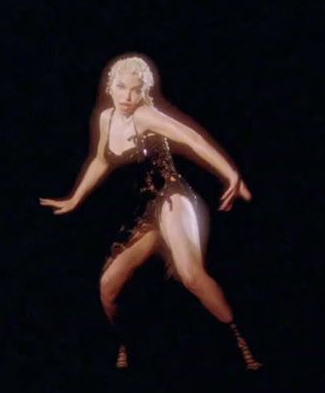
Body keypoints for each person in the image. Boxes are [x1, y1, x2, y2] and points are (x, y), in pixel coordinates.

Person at [40, 53, 262, 370]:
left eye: (135, 89)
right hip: (145, 208)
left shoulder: (145, 116)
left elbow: (193, 139)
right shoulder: (106, 118)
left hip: (172, 195)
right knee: (108, 287)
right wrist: (75, 199)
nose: (127, 97)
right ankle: (126, 342)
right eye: (121, 87)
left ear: (144, 91)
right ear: (109, 86)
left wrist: (231, 173)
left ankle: (241, 338)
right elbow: (102, 159)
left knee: (191, 275)